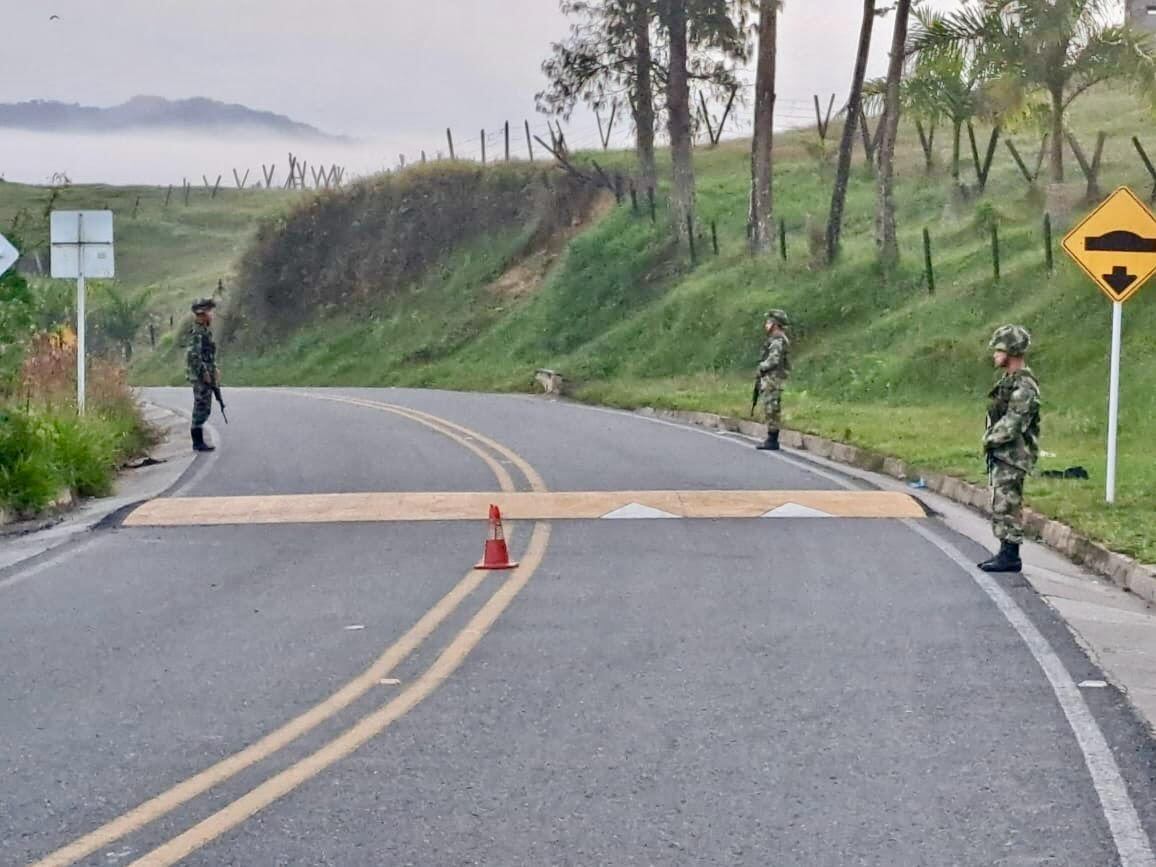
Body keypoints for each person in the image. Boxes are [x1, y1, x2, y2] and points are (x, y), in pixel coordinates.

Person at [979, 325, 1040, 573]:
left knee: (1008, 504)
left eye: (999, 349)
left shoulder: (1024, 386)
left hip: (1014, 454)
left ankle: (1010, 555)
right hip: (1004, 453)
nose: (995, 355)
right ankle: (1005, 551)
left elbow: (1013, 423)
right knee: (1001, 502)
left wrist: (988, 439)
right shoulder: (1010, 381)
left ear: (1011, 351)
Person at [755, 309, 791, 451]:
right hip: (772, 378)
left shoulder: (778, 339)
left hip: (773, 379)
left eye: (769, 321)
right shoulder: (776, 338)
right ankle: (771, 438)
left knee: (771, 408)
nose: (766, 324)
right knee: (770, 408)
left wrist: (761, 367)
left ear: (775, 324)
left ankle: (772, 439)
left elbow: (774, 360)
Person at [186, 298, 220, 453]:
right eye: (209, 312)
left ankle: (199, 441)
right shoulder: (198, 332)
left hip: (206, 374)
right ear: (202, 314)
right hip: (201, 377)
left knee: (205, 407)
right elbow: (193, 355)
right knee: (200, 407)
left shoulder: (205, 331)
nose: (211, 315)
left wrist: (214, 369)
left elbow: (207, 355)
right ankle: (197, 442)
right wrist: (204, 372)